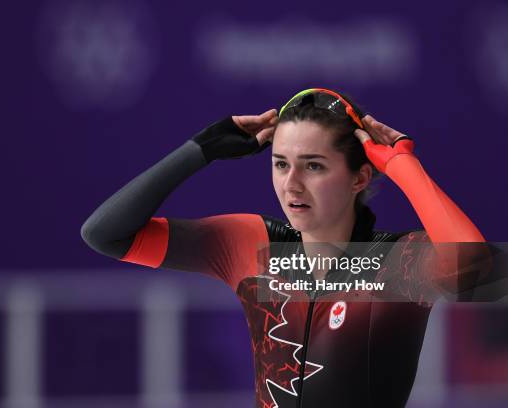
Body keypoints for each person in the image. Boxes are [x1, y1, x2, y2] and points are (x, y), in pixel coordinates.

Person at [81, 88, 488, 407]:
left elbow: (477, 270)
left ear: (360, 178)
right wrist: (201, 149)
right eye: (280, 164)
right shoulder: (255, 246)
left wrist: (403, 166)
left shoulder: (397, 266)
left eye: (313, 165)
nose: (291, 184)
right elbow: (106, 234)